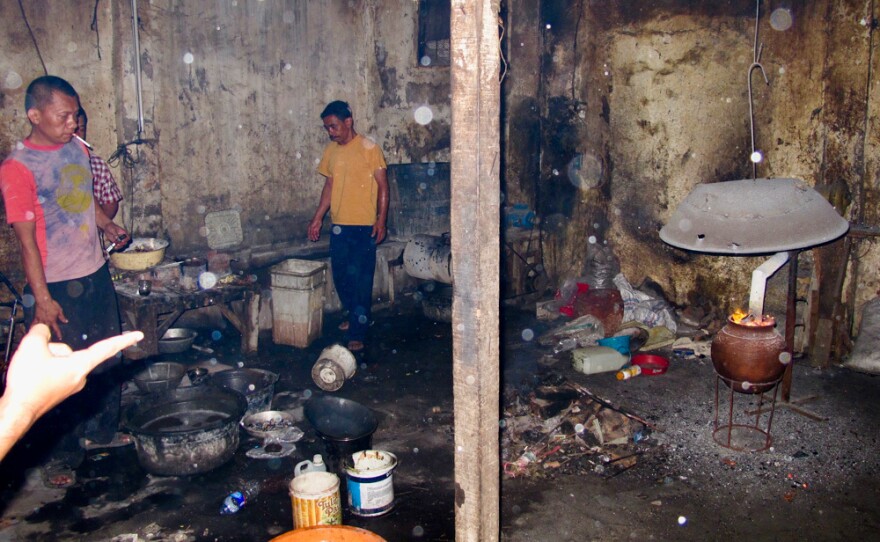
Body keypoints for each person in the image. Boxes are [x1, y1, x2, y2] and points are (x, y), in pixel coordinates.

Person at [0, 75, 131, 485]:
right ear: (34, 116)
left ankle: (103, 433)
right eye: (63, 116)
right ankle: (61, 457)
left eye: (75, 114)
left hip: (93, 272)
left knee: (107, 358)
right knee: (57, 374)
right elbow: (25, 243)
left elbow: (81, 198)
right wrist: (42, 299)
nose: (73, 123)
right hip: (55, 284)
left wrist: (106, 224)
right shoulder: (18, 168)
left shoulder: (75, 149)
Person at [307, 100, 389, 352]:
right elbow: (330, 187)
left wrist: (381, 220)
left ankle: (358, 331)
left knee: (361, 281)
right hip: (340, 226)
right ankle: (356, 315)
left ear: (348, 122)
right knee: (341, 277)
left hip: (364, 227)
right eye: (327, 128)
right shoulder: (332, 151)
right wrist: (318, 217)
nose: (331, 132)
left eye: (333, 127)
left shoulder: (369, 148)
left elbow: (383, 187)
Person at [0, 324, 143, 462]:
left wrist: (23, 405)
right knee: (60, 368)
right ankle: (64, 455)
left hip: (96, 302)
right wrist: (25, 404)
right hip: (61, 303)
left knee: (104, 357)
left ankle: (102, 433)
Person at [76, 106, 123, 220]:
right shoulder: (50, 163)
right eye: (72, 130)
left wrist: (101, 227)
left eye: (81, 129)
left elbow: (110, 203)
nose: (76, 135)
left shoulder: (95, 163)